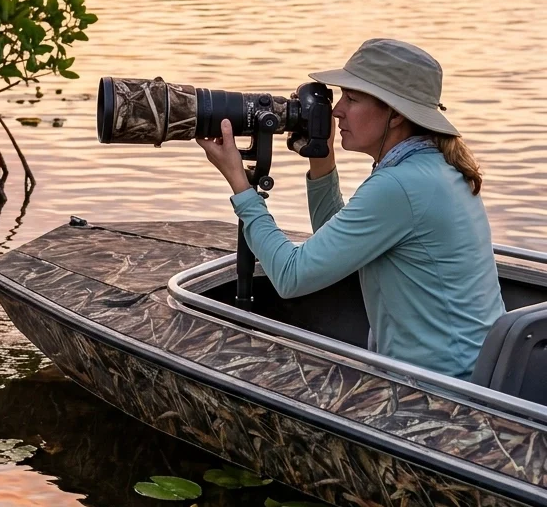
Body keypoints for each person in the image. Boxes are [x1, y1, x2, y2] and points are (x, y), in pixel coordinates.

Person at [198, 38, 504, 380]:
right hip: (473, 377)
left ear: (396, 113)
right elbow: (339, 244)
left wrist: (240, 184)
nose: (337, 111)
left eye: (353, 99)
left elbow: (290, 276)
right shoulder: (432, 168)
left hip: (442, 395)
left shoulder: (400, 185)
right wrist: (322, 158)